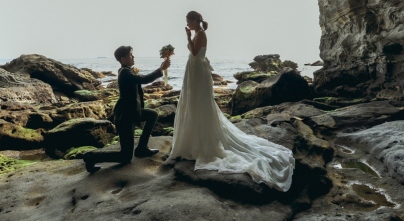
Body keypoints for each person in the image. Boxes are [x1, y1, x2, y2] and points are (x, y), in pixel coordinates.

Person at [167, 10, 294, 191]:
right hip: (194, 71)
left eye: (189, 20)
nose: (187, 23)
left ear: (195, 21)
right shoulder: (198, 33)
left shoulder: (201, 34)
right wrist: (189, 36)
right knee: (193, 104)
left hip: (198, 72)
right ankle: (191, 141)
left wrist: (187, 37)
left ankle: (201, 142)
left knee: (199, 105)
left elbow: (195, 52)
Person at [83, 45, 171, 174]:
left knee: (152, 114)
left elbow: (137, 82)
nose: (133, 56)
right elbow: (144, 79)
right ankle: (91, 157)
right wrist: (161, 69)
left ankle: (142, 147)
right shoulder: (125, 73)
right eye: (130, 55)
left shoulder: (126, 71)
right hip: (125, 117)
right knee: (125, 157)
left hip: (134, 112)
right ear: (123, 59)